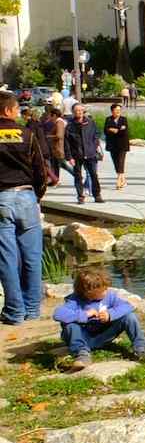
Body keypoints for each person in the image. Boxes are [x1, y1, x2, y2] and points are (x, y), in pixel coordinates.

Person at [0, 90, 47, 325]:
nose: (19, 112)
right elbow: (41, 169)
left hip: (1, 200)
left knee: (6, 258)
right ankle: (32, 309)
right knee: (32, 256)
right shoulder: (27, 134)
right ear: (9, 110)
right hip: (26, 196)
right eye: (17, 109)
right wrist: (36, 196)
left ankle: (14, 312)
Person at [65, 103, 103, 205]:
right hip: (76, 154)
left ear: (83, 111)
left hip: (90, 153)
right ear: (73, 112)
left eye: (81, 110)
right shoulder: (70, 125)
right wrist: (69, 157)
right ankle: (80, 196)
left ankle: (97, 195)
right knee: (78, 176)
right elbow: (66, 142)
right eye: (76, 110)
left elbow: (97, 134)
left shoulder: (90, 122)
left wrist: (94, 146)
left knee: (94, 175)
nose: (79, 112)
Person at [41, 105, 71, 184]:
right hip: (56, 148)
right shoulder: (58, 122)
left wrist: (48, 136)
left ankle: (77, 176)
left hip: (58, 148)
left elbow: (59, 135)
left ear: (54, 115)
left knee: (62, 165)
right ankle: (56, 180)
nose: (50, 117)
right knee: (57, 165)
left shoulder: (59, 122)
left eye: (51, 115)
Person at [103, 102, 130, 190]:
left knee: (121, 161)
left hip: (122, 144)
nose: (118, 112)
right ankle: (123, 179)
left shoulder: (123, 119)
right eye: (116, 110)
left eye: (119, 110)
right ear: (112, 111)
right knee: (115, 162)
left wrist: (114, 130)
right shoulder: (108, 119)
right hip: (112, 144)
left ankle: (119, 180)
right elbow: (106, 131)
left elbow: (124, 131)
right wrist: (114, 129)